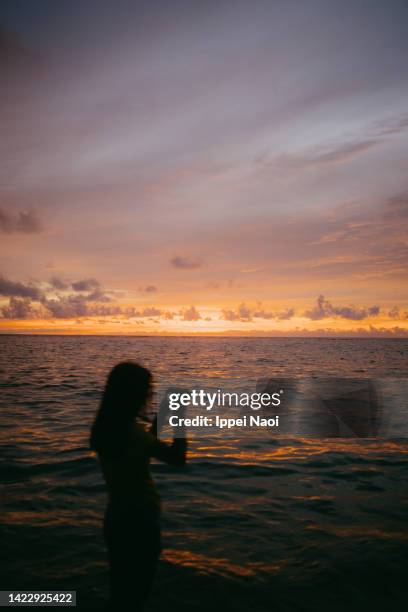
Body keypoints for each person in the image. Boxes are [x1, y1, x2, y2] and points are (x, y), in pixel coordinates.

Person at [90, 362, 187, 611]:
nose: (150, 394)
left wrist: (164, 414)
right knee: (137, 595)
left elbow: (143, 445)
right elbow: (177, 458)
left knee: (121, 592)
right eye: (147, 389)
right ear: (134, 394)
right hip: (140, 521)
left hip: (117, 517)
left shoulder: (106, 428)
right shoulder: (133, 434)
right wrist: (180, 421)